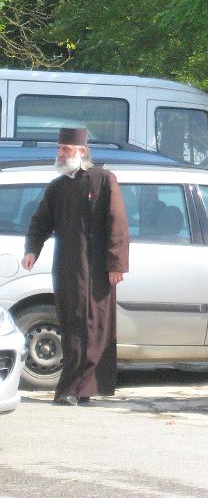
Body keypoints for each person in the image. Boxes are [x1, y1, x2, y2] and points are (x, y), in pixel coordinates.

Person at [22, 127, 129, 406]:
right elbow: (40, 221)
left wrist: (116, 264)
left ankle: (79, 389)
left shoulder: (103, 180)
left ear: (81, 152)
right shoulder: (57, 187)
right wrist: (32, 249)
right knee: (72, 328)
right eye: (58, 148)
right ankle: (74, 389)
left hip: (97, 270)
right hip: (67, 269)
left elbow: (117, 224)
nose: (59, 153)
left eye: (64, 149)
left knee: (93, 329)